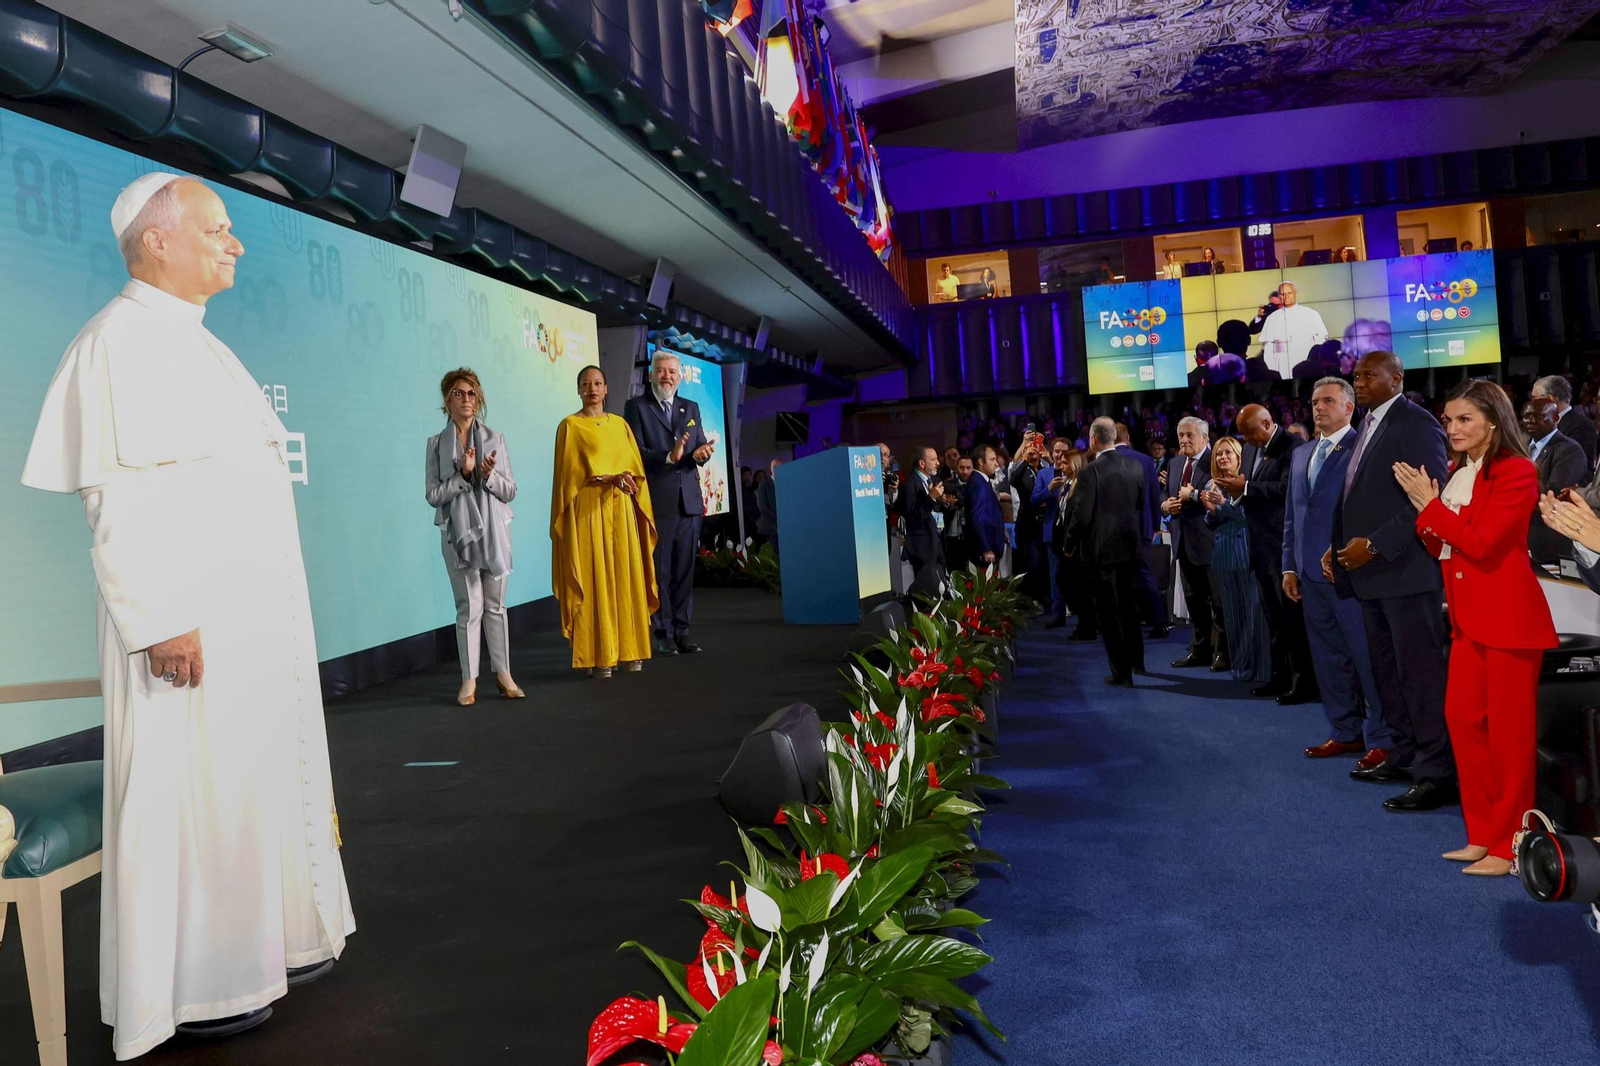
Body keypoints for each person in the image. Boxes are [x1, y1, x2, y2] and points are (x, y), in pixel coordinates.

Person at [21, 172, 354, 1058]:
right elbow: (114, 501)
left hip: (238, 622)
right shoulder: (117, 343)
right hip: (181, 633)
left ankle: (256, 957)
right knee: (191, 803)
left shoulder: (200, 344)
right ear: (156, 240)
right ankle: (197, 989)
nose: (234, 242)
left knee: (238, 796)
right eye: (218, 227)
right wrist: (161, 617)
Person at [1397, 379, 1557, 874]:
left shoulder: (1516, 472)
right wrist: (1432, 512)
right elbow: (1438, 543)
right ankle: (1483, 833)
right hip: (1468, 623)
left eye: (1464, 418)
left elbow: (1482, 543)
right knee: (1464, 724)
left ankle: (1512, 844)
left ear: (1493, 420)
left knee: (1509, 738)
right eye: (1448, 419)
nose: (1453, 428)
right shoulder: (1458, 473)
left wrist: (1430, 507)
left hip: (1509, 624)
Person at [1326, 351, 1454, 810]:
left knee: (1420, 678)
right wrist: (1338, 545)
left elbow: (1427, 496)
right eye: (1355, 375)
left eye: (1369, 375)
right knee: (1388, 675)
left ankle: (1436, 774)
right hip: (1372, 576)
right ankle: (1403, 755)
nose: (1359, 382)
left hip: (1406, 573)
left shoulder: (1415, 423)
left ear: (1397, 378)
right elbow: (1358, 497)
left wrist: (1374, 545)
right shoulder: (1370, 423)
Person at [1283, 378, 1393, 767]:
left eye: (1328, 400)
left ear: (1349, 407)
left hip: (1349, 573)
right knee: (1329, 660)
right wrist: (1289, 565)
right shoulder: (1302, 453)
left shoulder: (1363, 448)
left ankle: (1383, 738)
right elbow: (1293, 515)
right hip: (1309, 577)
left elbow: (1375, 508)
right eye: (1314, 402)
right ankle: (1345, 732)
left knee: (1367, 658)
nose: (1318, 408)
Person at [551, 366, 658, 677]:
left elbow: (635, 469)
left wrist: (628, 480)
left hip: (621, 508)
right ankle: (600, 654)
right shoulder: (570, 426)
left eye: (597, 383)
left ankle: (631, 649)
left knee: (626, 576)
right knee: (595, 576)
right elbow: (566, 479)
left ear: (607, 388)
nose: (592, 388)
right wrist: (605, 476)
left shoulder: (621, 425)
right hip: (588, 509)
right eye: (586, 383)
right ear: (578, 389)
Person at [426, 368, 524, 704]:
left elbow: (510, 491)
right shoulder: (436, 445)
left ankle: (503, 673)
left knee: (496, 606)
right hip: (458, 534)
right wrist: (464, 475)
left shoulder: (496, 438)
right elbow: (433, 496)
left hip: (494, 531)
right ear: (446, 401)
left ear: (478, 399)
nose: (466, 399)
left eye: (471, 393)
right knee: (469, 607)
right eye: (458, 393)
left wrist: (488, 476)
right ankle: (469, 679)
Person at [1216, 404, 1314, 701]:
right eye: (1242, 434)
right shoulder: (1250, 449)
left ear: (1268, 423)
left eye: (1249, 432)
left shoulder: (1294, 446)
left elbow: (1287, 489)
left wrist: (1245, 489)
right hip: (1258, 546)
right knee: (1274, 620)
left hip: (1282, 547)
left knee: (1292, 620)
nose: (1245, 439)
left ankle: (1303, 682)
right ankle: (1279, 677)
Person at [623, 350, 714, 656]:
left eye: (672, 372)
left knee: (685, 570)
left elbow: (698, 443)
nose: (667, 376)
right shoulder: (636, 407)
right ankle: (663, 633)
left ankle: (683, 631)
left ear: (680, 376)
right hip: (657, 500)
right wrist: (667, 456)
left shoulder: (691, 407)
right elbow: (635, 451)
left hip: (688, 501)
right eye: (661, 371)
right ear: (651, 374)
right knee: (660, 571)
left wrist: (701, 453)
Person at [1063, 419, 1148, 686]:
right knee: (1129, 607)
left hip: (1101, 552)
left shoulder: (1090, 472)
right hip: (1130, 548)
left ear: (1093, 440)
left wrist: (1069, 542)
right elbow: (1140, 503)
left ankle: (1121, 673)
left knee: (1108, 613)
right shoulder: (1136, 466)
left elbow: (1082, 515)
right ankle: (1137, 661)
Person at [1198, 439, 1270, 681]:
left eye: (1228, 452)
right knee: (1232, 618)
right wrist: (1212, 511)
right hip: (1224, 556)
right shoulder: (1212, 483)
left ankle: (1260, 670)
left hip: (1247, 555)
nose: (1222, 457)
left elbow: (1247, 518)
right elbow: (1212, 523)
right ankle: (1239, 668)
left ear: (1239, 457)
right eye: (1219, 454)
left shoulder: (1245, 483)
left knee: (1253, 618)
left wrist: (1221, 507)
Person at [1163, 416, 1228, 670]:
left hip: (1212, 543)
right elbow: (1165, 493)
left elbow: (1222, 498)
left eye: (1190, 435)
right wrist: (1165, 505)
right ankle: (1199, 651)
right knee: (1194, 602)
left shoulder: (1217, 460)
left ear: (1204, 438)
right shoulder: (1176, 462)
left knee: (1220, 602)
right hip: (1183, 543)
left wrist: (1196, 496)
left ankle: (1224, 652)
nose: (1184, 440)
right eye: (1181, 435)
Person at [1115, 422, 1169, 638]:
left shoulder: (1102, 461)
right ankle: (1159, 622)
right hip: (1143, 527)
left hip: (1114, 531)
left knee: (1119, 578)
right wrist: (1155, 525)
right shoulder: (1146, 460)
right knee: (1146, 575)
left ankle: (1125, 624)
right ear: (1128, 437)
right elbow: (1155, 498)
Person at [1523, 396, 1588, 564]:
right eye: (1526, 416)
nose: (1530, 420)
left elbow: (1553, 494)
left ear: (1555, 418)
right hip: (1520, 536)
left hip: (1549, 539)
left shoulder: (1569, 449)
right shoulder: (1520, 445)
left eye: (1537, 416)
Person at [1034, 438, 1074, 627]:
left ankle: (1083, 614)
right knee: (1055, 574)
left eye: (1063, 451)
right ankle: (1058, 614)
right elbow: (1034, 499)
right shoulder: (1043, 474)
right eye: (1056, 451)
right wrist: (1049, 490)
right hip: (1052, 530)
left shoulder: (1077, 472)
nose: (1059, 455)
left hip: (1074, 531)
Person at [1257, 281, 1329, 378]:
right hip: (1281, 365)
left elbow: (1320, 342)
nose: (1286, 296)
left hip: (1305, 362)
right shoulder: (1272, 318)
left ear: (1295, 294)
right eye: (1283, 294)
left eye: (1289, 293)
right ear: (1279, 296)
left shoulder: (1311, 314)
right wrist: (1272, 369)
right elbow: (1268, 348)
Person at [1532, 374, 1598, 476]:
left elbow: (1575, 467)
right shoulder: (1537, 425)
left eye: (1535, 398)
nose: (1532, 404)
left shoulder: (1583, 426)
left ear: (1550, 399)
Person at [901, 445, 948, 581]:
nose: (938, 463)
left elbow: (935, 510)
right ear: (922, 463)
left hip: (936, 542)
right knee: (927, 588)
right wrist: (931, 498)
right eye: (933, 460)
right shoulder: (910, 485)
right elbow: (914, 519)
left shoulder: (932, 481)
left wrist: (943, 502)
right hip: (923, 548)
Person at [964, 444, 1006, 571]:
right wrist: (986, 548)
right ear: (981, 462)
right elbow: (976, 518)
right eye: (992, 460)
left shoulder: (981, 481)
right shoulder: (978, 484)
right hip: (985, 551)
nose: (996, 464)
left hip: (989, 547)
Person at [757, 459, 781, 555]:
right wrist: (778, 518)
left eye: (780, 467)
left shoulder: (787, 483)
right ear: (770, 469)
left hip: (784, 527)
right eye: (775, 467)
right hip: (771, 527)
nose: (778, 469)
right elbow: (763, 507)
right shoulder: (764, 484)